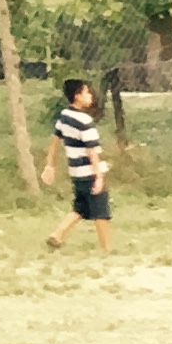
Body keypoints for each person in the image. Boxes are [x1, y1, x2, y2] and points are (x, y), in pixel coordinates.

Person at [41, 77, 111, 256]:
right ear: (77, 96)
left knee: (81, 207)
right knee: (100, 211)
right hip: (89, 172)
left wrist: (50, 165)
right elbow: (92, 151)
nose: (90, 96)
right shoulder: (84, 121)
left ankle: (57, 235)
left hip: (76, 172)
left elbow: (54, 142)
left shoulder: (65, 116)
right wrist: (98, 177)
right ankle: (105, 248)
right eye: (87, 92)